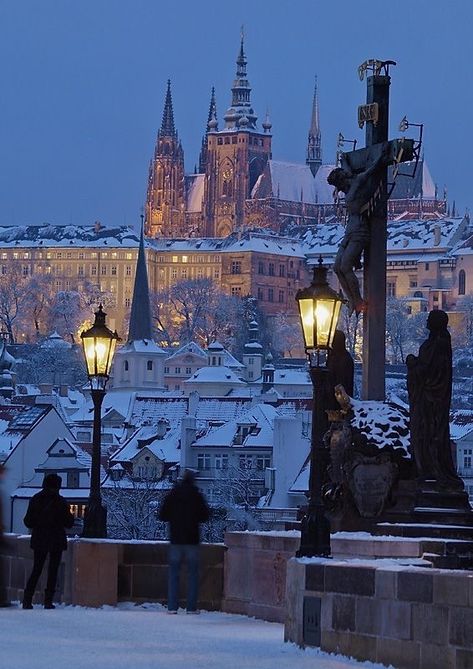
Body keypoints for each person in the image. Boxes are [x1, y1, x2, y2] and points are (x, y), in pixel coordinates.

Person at [327, 144, 390, 315]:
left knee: (345, 266)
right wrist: (344, 160)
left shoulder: (356, 183)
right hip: (349, 231)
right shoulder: (348, 186)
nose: (338, 188)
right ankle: (352, 300)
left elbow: (371, 171)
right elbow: (348, 170)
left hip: (360, 231)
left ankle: (358, 300)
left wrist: (381, 156)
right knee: (336, 267)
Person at [406, 310, 463, 489]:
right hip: (430, 401)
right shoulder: (438, 343)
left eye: (430, 319)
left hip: (430, 403)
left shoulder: (438, 345)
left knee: (427, 435)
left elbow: (429, 374)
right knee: (424, 435)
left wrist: (412, 363)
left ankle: (430, 471)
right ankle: (426, 470)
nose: (426, 321)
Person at [159, 470, 210, 614]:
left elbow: (162, 514)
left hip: (175, 539)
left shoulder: (173, 494)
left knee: (173, 574)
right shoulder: (196, 495)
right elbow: (205, 516)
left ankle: (172, 607)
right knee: (193, 574)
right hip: (192, 540)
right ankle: (191, 608)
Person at [22, 473, 74, 609]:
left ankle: (27, 599)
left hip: (39, 538)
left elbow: (28, 521)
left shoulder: (36, 499)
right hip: (56, 539)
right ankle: (48, 600)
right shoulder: (61, 501)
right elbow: (69, 522)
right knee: (53, 570)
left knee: (37, 569)